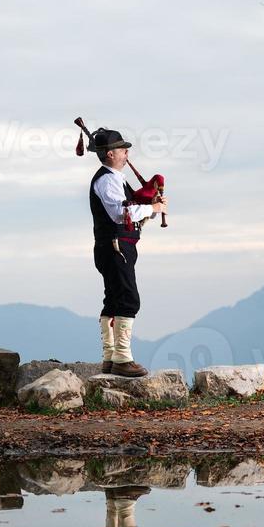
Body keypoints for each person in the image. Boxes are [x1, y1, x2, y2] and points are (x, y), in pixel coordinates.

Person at [87, 128, 168, 377]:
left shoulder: (117, 179)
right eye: (123, 149)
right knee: (128, 299)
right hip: (115, 246)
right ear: (110, 154)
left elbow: (132, 210)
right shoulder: (107, 180)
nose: (126, 153)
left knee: (113, 299)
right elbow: (121, 214)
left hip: (116, 246)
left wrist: (152, 207)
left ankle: (110, 358)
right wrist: (152, 206)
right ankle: (122, 359)